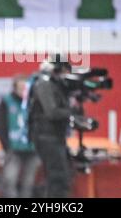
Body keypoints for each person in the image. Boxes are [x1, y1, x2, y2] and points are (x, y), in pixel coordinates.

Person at [28, 55, 79, 198]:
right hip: (47, 137)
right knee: (58, 178)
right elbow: (51, 112)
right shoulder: (44, 84)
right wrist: (72, 112)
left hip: (55, 136)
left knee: (62, 177)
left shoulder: (53, 85)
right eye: (63, 71)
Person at [0, 74, 41, 198]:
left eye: (25, 88)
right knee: (9, 180)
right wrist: (6, 145)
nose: (23, 91)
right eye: (20, 88)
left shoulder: (35, 102)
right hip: (13, 148)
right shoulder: (7, 102)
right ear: (15, 88)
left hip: (32, 149)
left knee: (28, 183)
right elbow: (0, 125)